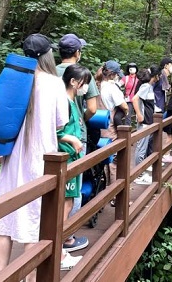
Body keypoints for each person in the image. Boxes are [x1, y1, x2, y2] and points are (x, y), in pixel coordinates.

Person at [0, 34, 81, 277]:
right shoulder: (53, 83)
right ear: (48, 55)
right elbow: (60, 121)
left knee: (6, 214)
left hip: (12, 159)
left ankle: (2, 275)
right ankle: (29, 276)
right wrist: (66, 136)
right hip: (42, 158)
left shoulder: (11, 79)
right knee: (36, 217)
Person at [56, 33, 96, 253]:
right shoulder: (80, 74)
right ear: (77, 52)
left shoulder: (48, 71)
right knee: (72, 192)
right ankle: (66, 238)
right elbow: (92, 108)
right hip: (72, 145)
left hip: (52, 148)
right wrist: (79, 125)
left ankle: (52, 235)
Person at [58, 64, 91, 266]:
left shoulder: (71, 101)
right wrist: (72, 140)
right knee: (65, 204)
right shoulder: (63, 102)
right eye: (84, 83)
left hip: (73, 157)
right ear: (73, 81)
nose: (85, 87)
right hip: (66, 158)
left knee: (68, 203)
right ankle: (58, 252)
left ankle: (59, 249)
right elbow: (54, 131)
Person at [97, 60, 128, 192]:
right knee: (113, 161)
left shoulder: (97, 85)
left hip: (97, 126)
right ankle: (114, 193)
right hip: (110, 127)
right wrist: (125, 112)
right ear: (113, 74)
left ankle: (102, 190)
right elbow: (124, 105)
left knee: (102, 159)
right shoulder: (111, 88)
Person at [132, 66, 159, 185]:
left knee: (144, 145)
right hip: (145, 122)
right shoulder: (146, 86)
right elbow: (135, 99)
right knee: (141, 147)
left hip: (148, 121)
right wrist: (139, 115)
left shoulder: (148, 87)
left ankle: (141, 171)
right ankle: (139, 174)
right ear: (154, 76)